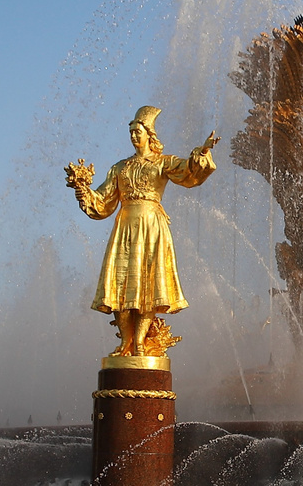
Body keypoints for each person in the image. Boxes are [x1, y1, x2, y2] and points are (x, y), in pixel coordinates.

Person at [65, 106, 217, 357]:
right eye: (131, 132)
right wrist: (83, 190)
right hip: (124, 227)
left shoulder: (162, 162)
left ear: (149, 134)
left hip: (151, 227)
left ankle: (138, 343)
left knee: (148, 286)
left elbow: (188, 171)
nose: (134, 136)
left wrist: (202, 151)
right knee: (120, 285)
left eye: (139, 131)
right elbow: (102, 203)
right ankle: (125, 342)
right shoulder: (119, 168)